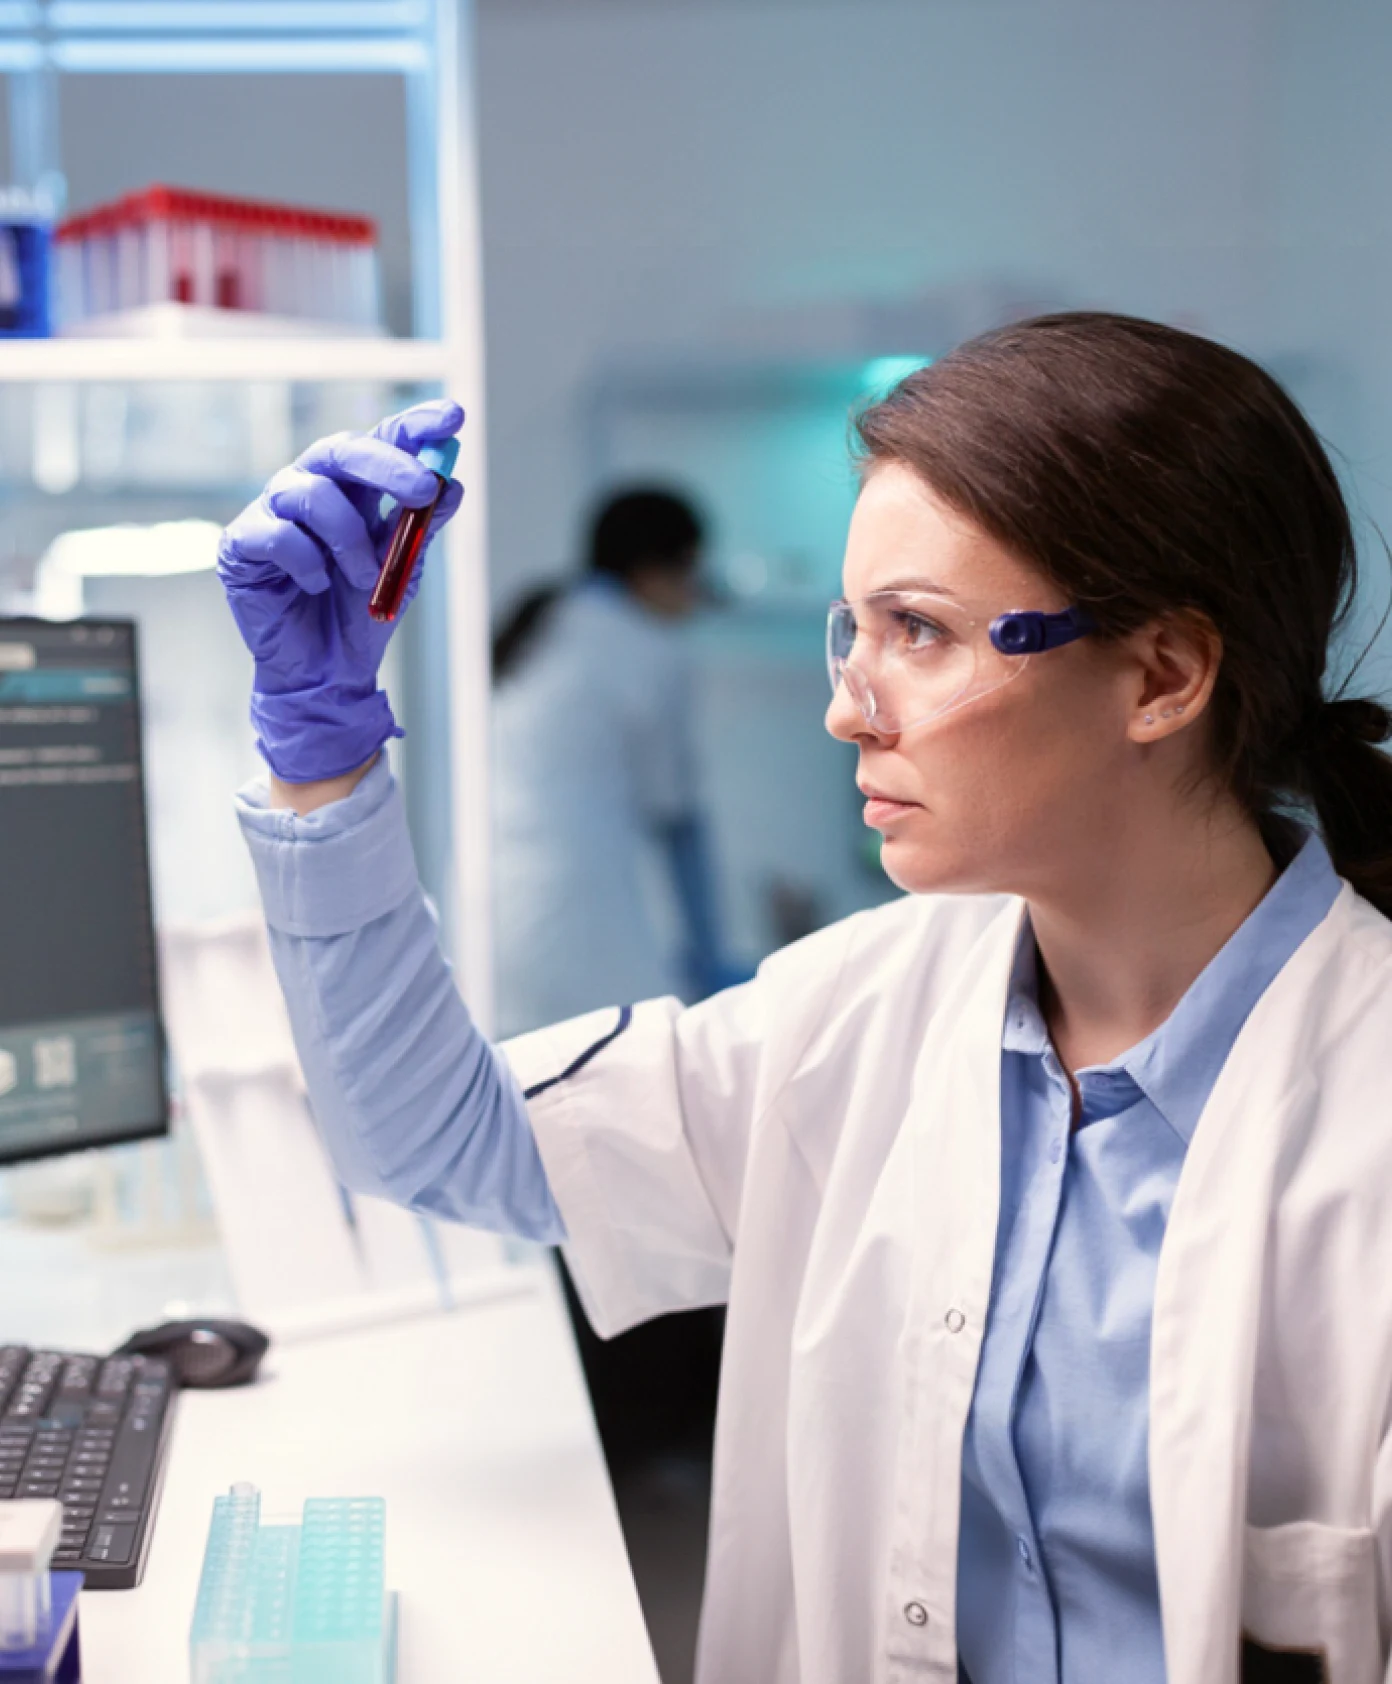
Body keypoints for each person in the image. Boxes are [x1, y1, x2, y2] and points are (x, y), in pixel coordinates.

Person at [217, 315, 1392, 1684]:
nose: (849, 707)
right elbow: (433, 1140)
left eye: (921, 632)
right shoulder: (853, 1015)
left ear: (1160, 676)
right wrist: (322, 765)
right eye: (857, 628)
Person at [490, 486, 738, 1039]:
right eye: (693, 570)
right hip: (578, 924)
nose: (697, 591)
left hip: (492, 915)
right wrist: (711, 957)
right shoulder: (648, 648)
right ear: (653, 570)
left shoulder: (540, 623)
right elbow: (676, 817)